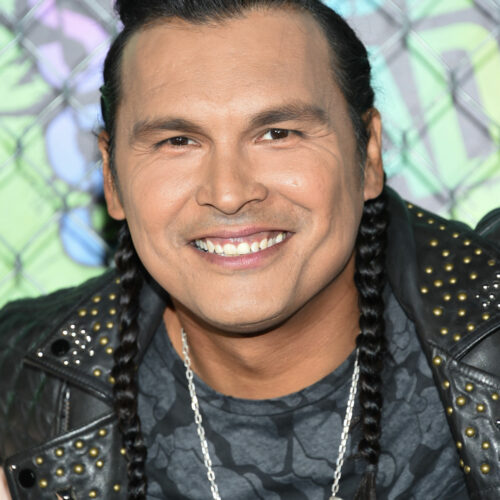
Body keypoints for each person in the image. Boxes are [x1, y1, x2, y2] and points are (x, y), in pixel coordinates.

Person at [0, 0, 499, 499]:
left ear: (367, 154)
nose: (229, 191)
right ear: (111, 179)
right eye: (178, 141)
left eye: (277, 134)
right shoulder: (18, 385)